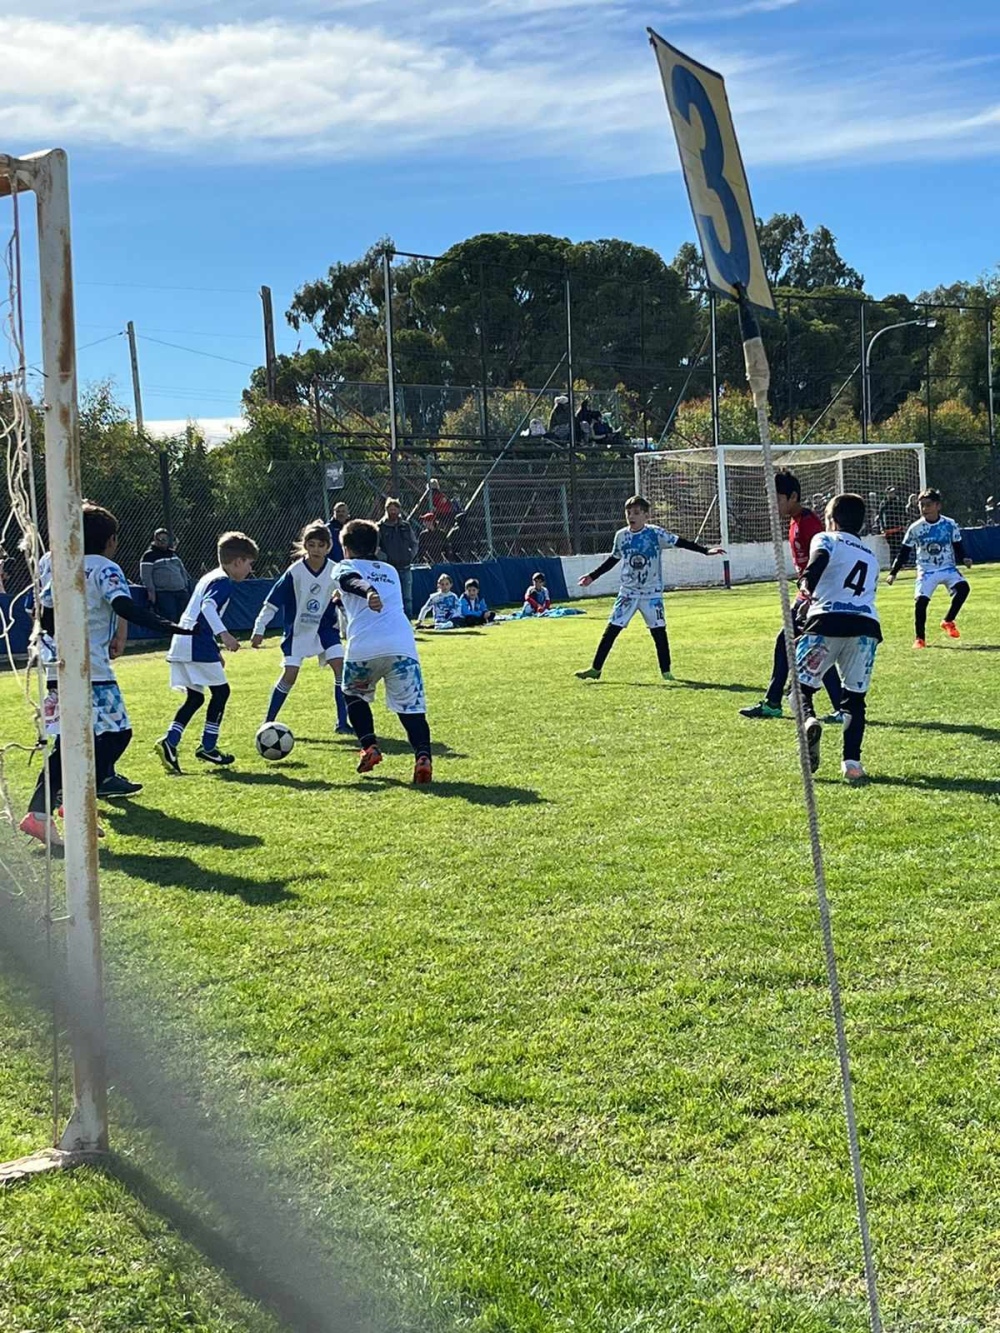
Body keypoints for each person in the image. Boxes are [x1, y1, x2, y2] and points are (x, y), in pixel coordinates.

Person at [20, 503, 194, 845]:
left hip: (54, 665)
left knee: (70, 740)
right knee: (116, 735)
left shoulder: (49, 562)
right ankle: (50, 808)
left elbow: (36, 608)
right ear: (111, 540)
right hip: (89, 669)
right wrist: (167, 625)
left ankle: (67, 807)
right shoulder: (105, 568)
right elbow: (122, 605)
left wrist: (57, 639)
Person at [575, 495, 724, 682]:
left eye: (636, 512)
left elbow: (680, 542)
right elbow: (613, 559)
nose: (631, 516)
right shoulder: (621, 536)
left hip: (651, 594)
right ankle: (595, 669)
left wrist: (705, 551)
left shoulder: (655, 533)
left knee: (658, 631)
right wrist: (592, 576)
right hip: (628, 593)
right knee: (612, 629)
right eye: (629, 512)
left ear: (646, 515)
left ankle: (667, 672)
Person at [332, 518, 433, 783]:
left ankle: (370, 746)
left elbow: (350, 580)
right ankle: (423, 756)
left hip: (364, 647)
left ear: (346, 548)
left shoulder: (344, 565)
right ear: (376, 546)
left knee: (353, 693)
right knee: (411, 708)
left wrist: (367, 592)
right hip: (402, 647)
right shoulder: (390, 570)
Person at [740, 469, 844, 723]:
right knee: (800, 644)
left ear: (793, 496)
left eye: (776, 497)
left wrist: (811, 596)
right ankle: (778, 701)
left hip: (815, 595)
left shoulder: (810, 523)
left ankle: (777, 701)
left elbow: (824, 559)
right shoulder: (795, 521)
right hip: (807, 594)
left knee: (807, 645)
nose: (771, 503)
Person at [795, 493, 882, 785]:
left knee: (800, 687)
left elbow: (818, 564)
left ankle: (809, 720)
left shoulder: (826, 538)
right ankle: (852, 764)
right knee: (854, 699)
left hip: (827, 620)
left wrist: (805, 588)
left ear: (831, 519)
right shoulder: (871, 555)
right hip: (866, 627)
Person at [154, 531, 258, 774]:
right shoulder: (223, 581)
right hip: (195, 642)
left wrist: (214, 645)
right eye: (250, 564)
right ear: (238, 561)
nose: (250, 570)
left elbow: (201, 612)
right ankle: (208, 747)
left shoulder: (211, 576)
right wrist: (224, 635)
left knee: (196, 697)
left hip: (186, 640)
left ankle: (170, 742)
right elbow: (208, 607)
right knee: (221, 692)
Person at [250, 520, 350, 735]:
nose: (316, 549)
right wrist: (259, 629)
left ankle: (343, 723)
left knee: (340, 667)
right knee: (290, 674)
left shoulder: (335, 571)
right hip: (297, 632)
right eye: (311, 544)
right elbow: (272, 602)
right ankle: (268, 723)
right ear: (305, 545)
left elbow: (347, 597)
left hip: (325, 629)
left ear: (329, 547)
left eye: (321, 545)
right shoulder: (295, 572)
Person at [886, 487, 972, 648]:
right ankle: (920, 638)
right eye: (922, 505)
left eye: (928, 505)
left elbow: (957, 544)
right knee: (921, 602)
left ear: (938, 506)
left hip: (947, 568)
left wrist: (965, 557)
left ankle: (948, 621)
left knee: (964, 588)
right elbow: (904, 552)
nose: (924, 509)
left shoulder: (949, 524)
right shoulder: (915, 528)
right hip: (926, 570)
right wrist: (893, 573)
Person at [139, 528, 191, 624]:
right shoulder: (149, 555)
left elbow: (182, 570)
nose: (162, 542)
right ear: (154, 540)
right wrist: (151, 591)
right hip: (164, 592)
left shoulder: (173, 554)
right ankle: (170, 637)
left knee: (185, 615)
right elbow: (146, 576)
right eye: (159, 539)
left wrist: (185, 585)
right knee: (170, 617)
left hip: (180, 590)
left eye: (164, 539)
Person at [377, 497, 417, 617]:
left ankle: (408, 622)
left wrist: (410, 555)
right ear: (386, 510)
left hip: (405, 566)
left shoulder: (405, 526)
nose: (393, 512)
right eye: (390, 509)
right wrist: (384, 558)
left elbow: (414, 543)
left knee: (407, 598)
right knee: (390, 597)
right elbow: (375, 547)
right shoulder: (380, 527)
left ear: (399, 510)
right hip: (389, 569)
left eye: (395, 509)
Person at [876, 486, 908, 563]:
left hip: (898, 528)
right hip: (889, 529)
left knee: (900, 547)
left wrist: (905, 524)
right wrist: (882, 528)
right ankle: (893, 564)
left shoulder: (899, 502)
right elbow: (880, 517)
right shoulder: (883, 503)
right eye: (891, 492)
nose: (892, 494)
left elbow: (904, 514)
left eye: (893, 492)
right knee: (892, 549)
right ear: (887, 493)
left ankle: (901, 564)